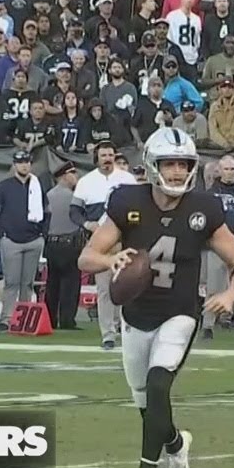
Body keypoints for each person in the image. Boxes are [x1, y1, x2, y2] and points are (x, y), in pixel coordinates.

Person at [78, 127, 234, 468]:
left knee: (159, 385)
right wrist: (110, 260)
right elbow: (86, 257)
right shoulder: (128, 201)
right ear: (152, 164)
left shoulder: (204, 207)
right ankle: (175, 442)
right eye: (169, 163)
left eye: (184, 164)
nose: (177, 171)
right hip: (135, 314)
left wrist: (231, 294)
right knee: (147, 405)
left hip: (180, 313)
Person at [71, 141, 137, 350]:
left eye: (110, 154)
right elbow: (74, 211)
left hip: (124, 241)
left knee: (128, 287)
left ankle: (126, 329)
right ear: (96, 158)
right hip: (100, 243)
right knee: (104, 290)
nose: (107, 158)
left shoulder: (127, 179)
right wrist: (86, 223)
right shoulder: (86, 181)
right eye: (103, 155)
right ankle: (108, 333)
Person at [0, 150, 49, 331]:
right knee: (11, 282)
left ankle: (24, 319)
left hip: (33, 239)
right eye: (21, 162)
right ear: (15, 165)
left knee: (28, 283)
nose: (24, 165)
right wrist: (2, 234)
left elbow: (47, 212)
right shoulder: (4, 186)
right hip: (12, 240)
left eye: (27, 162)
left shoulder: (37, 185)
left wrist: (42, 234)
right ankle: (7, 318)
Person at [202, 154, 234, 339]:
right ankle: (208, 325)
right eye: (226, 169)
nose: (230, 172)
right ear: (219, 170)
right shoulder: (210, 193)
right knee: (213, 287)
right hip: (216, 247)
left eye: (233, 169)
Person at [44, 161, 84, 330]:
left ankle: (50, 319)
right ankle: (67, 320)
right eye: (73, 174)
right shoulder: (75, 197)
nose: (76, 177)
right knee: (70, 284)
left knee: (52, 284)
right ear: (64, 176)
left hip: (52, 244)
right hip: (70, 243)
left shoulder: (48, 195)